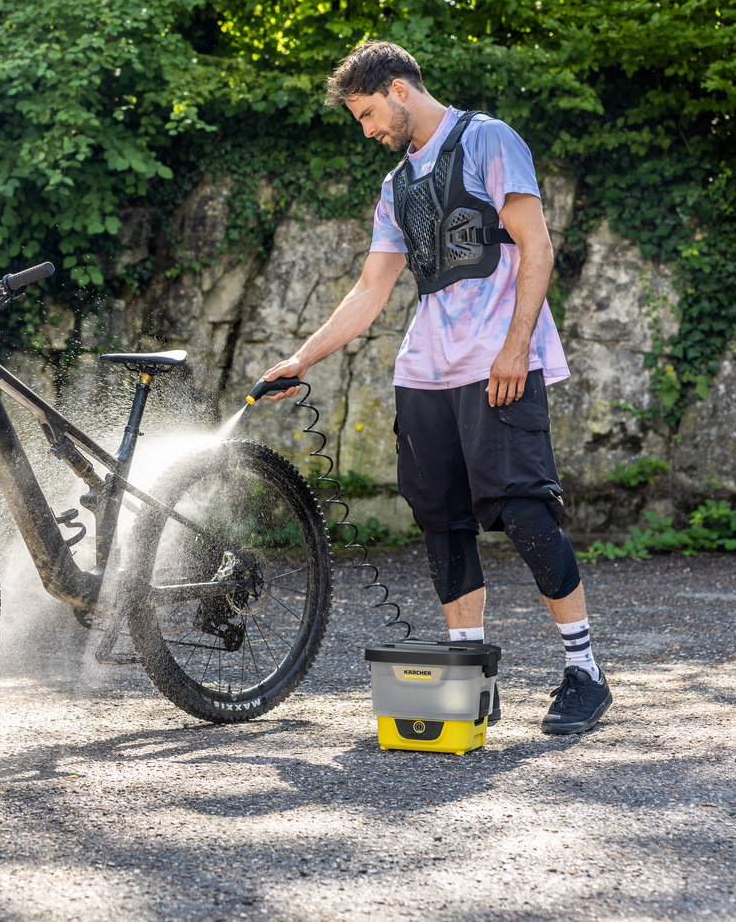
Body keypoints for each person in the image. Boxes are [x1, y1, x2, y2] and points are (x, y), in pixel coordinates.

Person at [257, 40, 611, 734]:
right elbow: (371, 290)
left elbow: (536, 245)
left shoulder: (487, 140)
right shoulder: (397, 186)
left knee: (526, 511)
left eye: (366, 114)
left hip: (497, 361)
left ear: (398, 89)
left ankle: (585, 671)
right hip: (425, 371)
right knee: (442, 521)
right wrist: (301, 358)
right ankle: (470, 676)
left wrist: (517, 347)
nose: (366, 130)